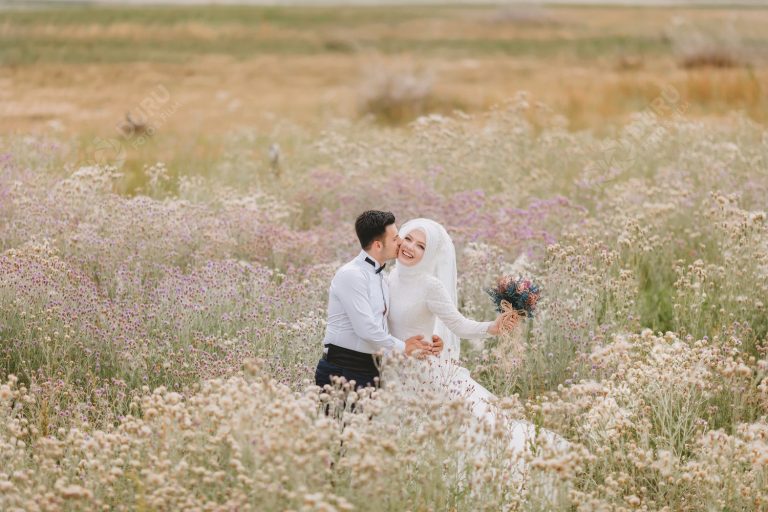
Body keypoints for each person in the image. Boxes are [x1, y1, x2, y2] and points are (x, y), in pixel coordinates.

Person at [386, 218, 566, 455]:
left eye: (421, 246)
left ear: (429, 254)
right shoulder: (388, 277)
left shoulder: (430, 286)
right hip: (389, 369)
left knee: (457, 430)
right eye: (408, 239)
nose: (410, 247)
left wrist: (492, 327)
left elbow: (458, 324)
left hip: (421, 373)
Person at [314, 211, 444, 391]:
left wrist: (430, 340)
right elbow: (366, 329)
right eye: (395, 238)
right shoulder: (351, 275)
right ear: (378, 245)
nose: (400, 242)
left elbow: (396, 318)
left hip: (372, 368)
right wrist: (404, 347)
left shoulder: (383, 278)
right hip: (343, 368)